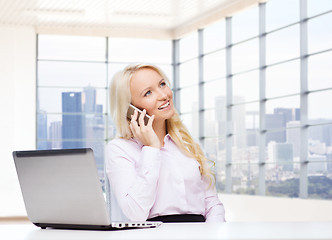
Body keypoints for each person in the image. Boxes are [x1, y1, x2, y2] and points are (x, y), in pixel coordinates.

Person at [105, 63, 225, 223]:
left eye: (162, 84)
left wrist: (212, 234)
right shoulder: (119, 149)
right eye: (148, 93)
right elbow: (135, 213)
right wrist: (151, 148)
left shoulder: (187, 143)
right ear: (131, 109)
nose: (163, 95)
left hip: (200, 232)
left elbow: (212, 204)